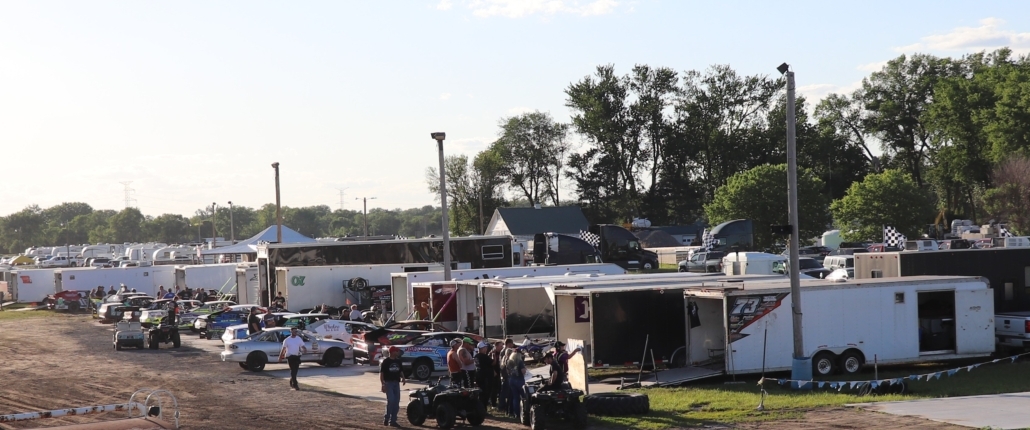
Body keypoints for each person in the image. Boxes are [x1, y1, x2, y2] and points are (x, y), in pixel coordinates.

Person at [380, 346, 406, 427]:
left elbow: (400, 370)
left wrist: (403, 378)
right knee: (391, 400)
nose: (397, 353)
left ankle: (393, 420)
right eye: (396, 351)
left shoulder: (398, 361)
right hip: (388, 383)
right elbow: (382, 374)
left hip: (396, 383)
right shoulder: (386, 362)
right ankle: (386, 418)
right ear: (392, 352)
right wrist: (383, 384)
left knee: (396, 402)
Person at [506, 347, 528, 421]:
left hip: (512, 380)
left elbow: (508, 372)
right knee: (524, 397)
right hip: (520, 381)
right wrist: (525, 369)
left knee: (515, 398)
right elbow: (523, 371)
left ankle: (516, 414)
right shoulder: (520, 361)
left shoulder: (509, 361)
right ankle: (524, 412)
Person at [497, 338, 516, 415]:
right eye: (511, 344)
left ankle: (504, 406)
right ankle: (502, 406)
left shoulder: (503, 351)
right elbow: (504, 363)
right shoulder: (505, 351)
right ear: (509, 344)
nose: (512, 345)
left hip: (504, 373)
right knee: (505, 391)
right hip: (506, 374)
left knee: (505, 391)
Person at [475, 341, 494, 407]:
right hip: (485, 376)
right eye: (485, 348)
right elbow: (493, 363)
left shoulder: (476, 356)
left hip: (478, 375)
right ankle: (483, 408)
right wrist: (494, 356)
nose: (486, 349)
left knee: (481, 393)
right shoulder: (484, 356)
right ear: (482, 348)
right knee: (486, 392)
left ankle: (480, 407)